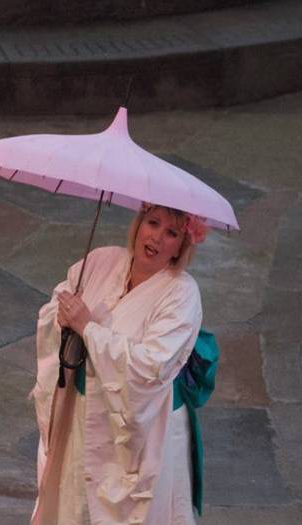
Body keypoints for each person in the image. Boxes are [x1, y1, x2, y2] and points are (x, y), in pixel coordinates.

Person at [30, 202, 208, 525]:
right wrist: (60, 318)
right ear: (139, 224)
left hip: (146, 424)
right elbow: (58, 300)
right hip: (83, 411)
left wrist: (87, 327)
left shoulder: (182, 294)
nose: (156, 238)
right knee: (76, 502)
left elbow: (151, 366)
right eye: (152, 223)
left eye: (171, 233)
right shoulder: (102, 261)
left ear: (182, 246)